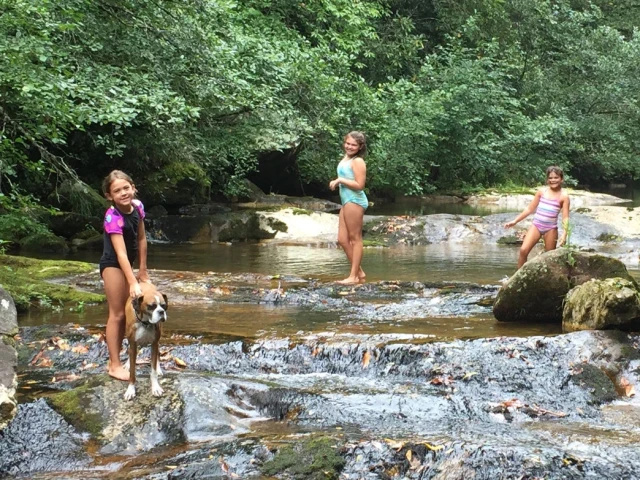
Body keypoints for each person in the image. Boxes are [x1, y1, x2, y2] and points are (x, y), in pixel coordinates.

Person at [99, 170, 150, 380]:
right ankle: (114, 365)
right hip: (112, 264)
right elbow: (120, 253)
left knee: (126, 314)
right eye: (117, 191)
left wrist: (143, 271)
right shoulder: (113, 216)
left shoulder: (138, 207)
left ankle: (120, 358)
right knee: (117, 314)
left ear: (133, 187)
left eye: (126, 188)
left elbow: (141, 239)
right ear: (110, 196)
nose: (123, 193)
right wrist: (132, 282)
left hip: (128, 264)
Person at [504, 166, 570, 269]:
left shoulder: (564, 197)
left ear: (561, 179)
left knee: (549, 257)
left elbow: (565, 217)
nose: (553, 180)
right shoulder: (541, 192)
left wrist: (565, 234)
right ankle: (518, 278)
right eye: (550, 178)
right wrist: (515, 221)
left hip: (551, 229)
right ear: (547, 180)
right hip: (536, 225)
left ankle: (548, 282)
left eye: (556, 177)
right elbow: (529, 209)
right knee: (523, 251)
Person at [329, 131, 369, 285]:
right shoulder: (347, 158)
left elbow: (359, 185)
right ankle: (359, 272)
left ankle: (353, 277)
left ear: (360, 147)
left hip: (355, 200)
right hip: (346, 201)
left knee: (355, 239)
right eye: (348, 143)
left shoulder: (358, 161)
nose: (349, 146)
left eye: (354, 145)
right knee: (342, 239)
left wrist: (340, 180)